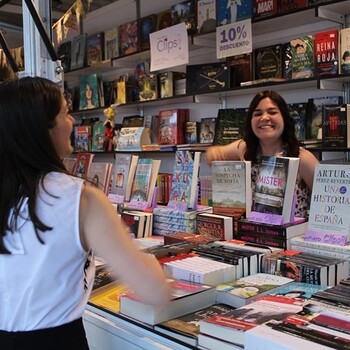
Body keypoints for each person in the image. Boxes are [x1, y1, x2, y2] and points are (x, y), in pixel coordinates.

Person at [0, 76, 171, 350]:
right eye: (66, 114)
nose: (73, 123)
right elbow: (153, 289)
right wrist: (153, 268)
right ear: (43, 129)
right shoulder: (81, 198)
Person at [205, 90, 319, 218]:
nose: (264, 118)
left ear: (284, 118)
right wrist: (213, 155)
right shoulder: (244, 148)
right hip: (250, 232)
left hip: (289, 235)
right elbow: (215, 153)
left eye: (272, 112)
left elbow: (327, 201)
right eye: (257, 113)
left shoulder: (302, 158)